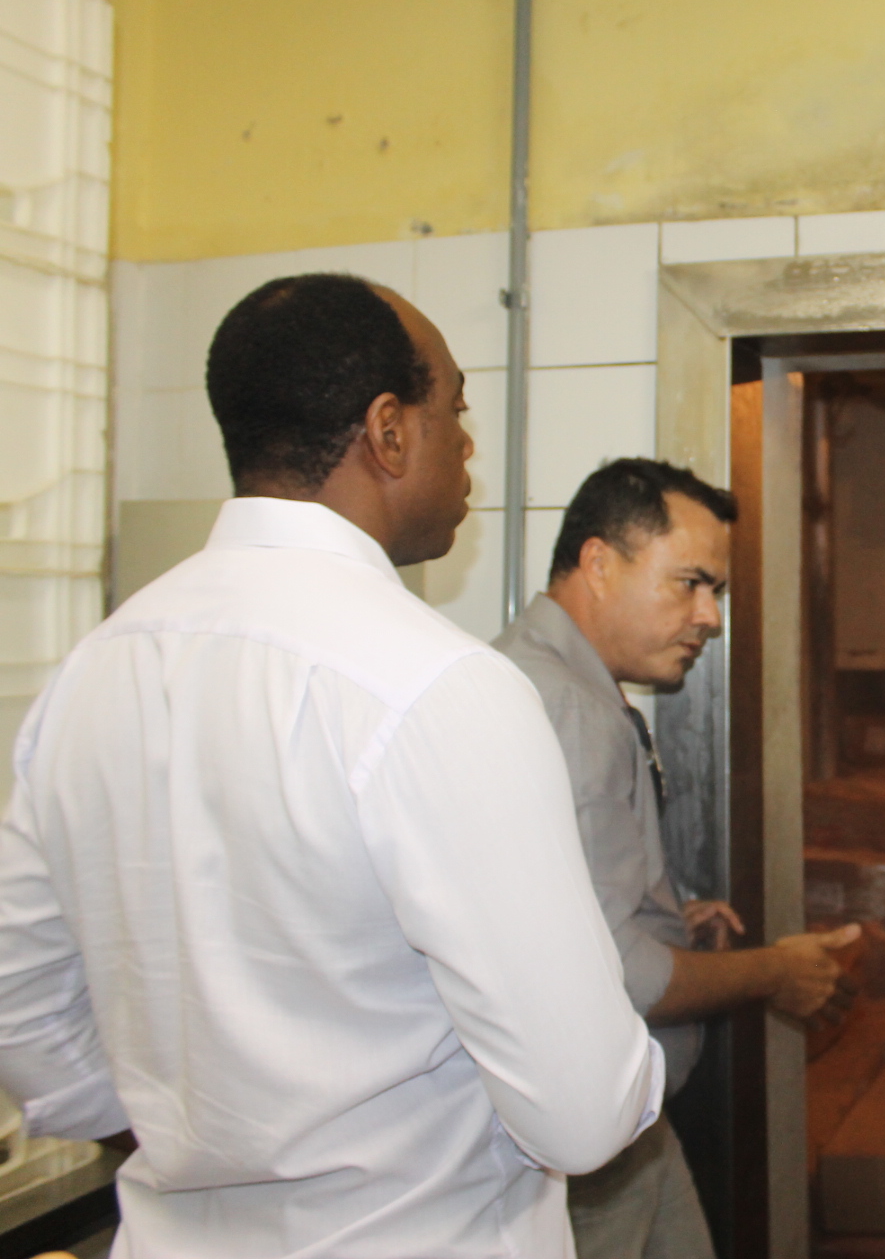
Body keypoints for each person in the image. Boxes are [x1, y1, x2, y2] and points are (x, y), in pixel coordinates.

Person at [0, 274, 664, 1257]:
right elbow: (585, 1109)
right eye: (456, 412)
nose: (468, 446)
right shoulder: (439, 687)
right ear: (389, 432)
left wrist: (214, 1139)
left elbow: (26, 1019)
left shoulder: (93, 671)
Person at [494, 457, 857, 1259]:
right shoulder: (568, 708)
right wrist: (775, 972)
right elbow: (616, 975)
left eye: (714, 591)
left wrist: (664, 914)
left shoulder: (561, 685)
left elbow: (560, 905)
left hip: (627, 1127)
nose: (710, 618)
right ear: (599, 562)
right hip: (583, 1139)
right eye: (689, 584)